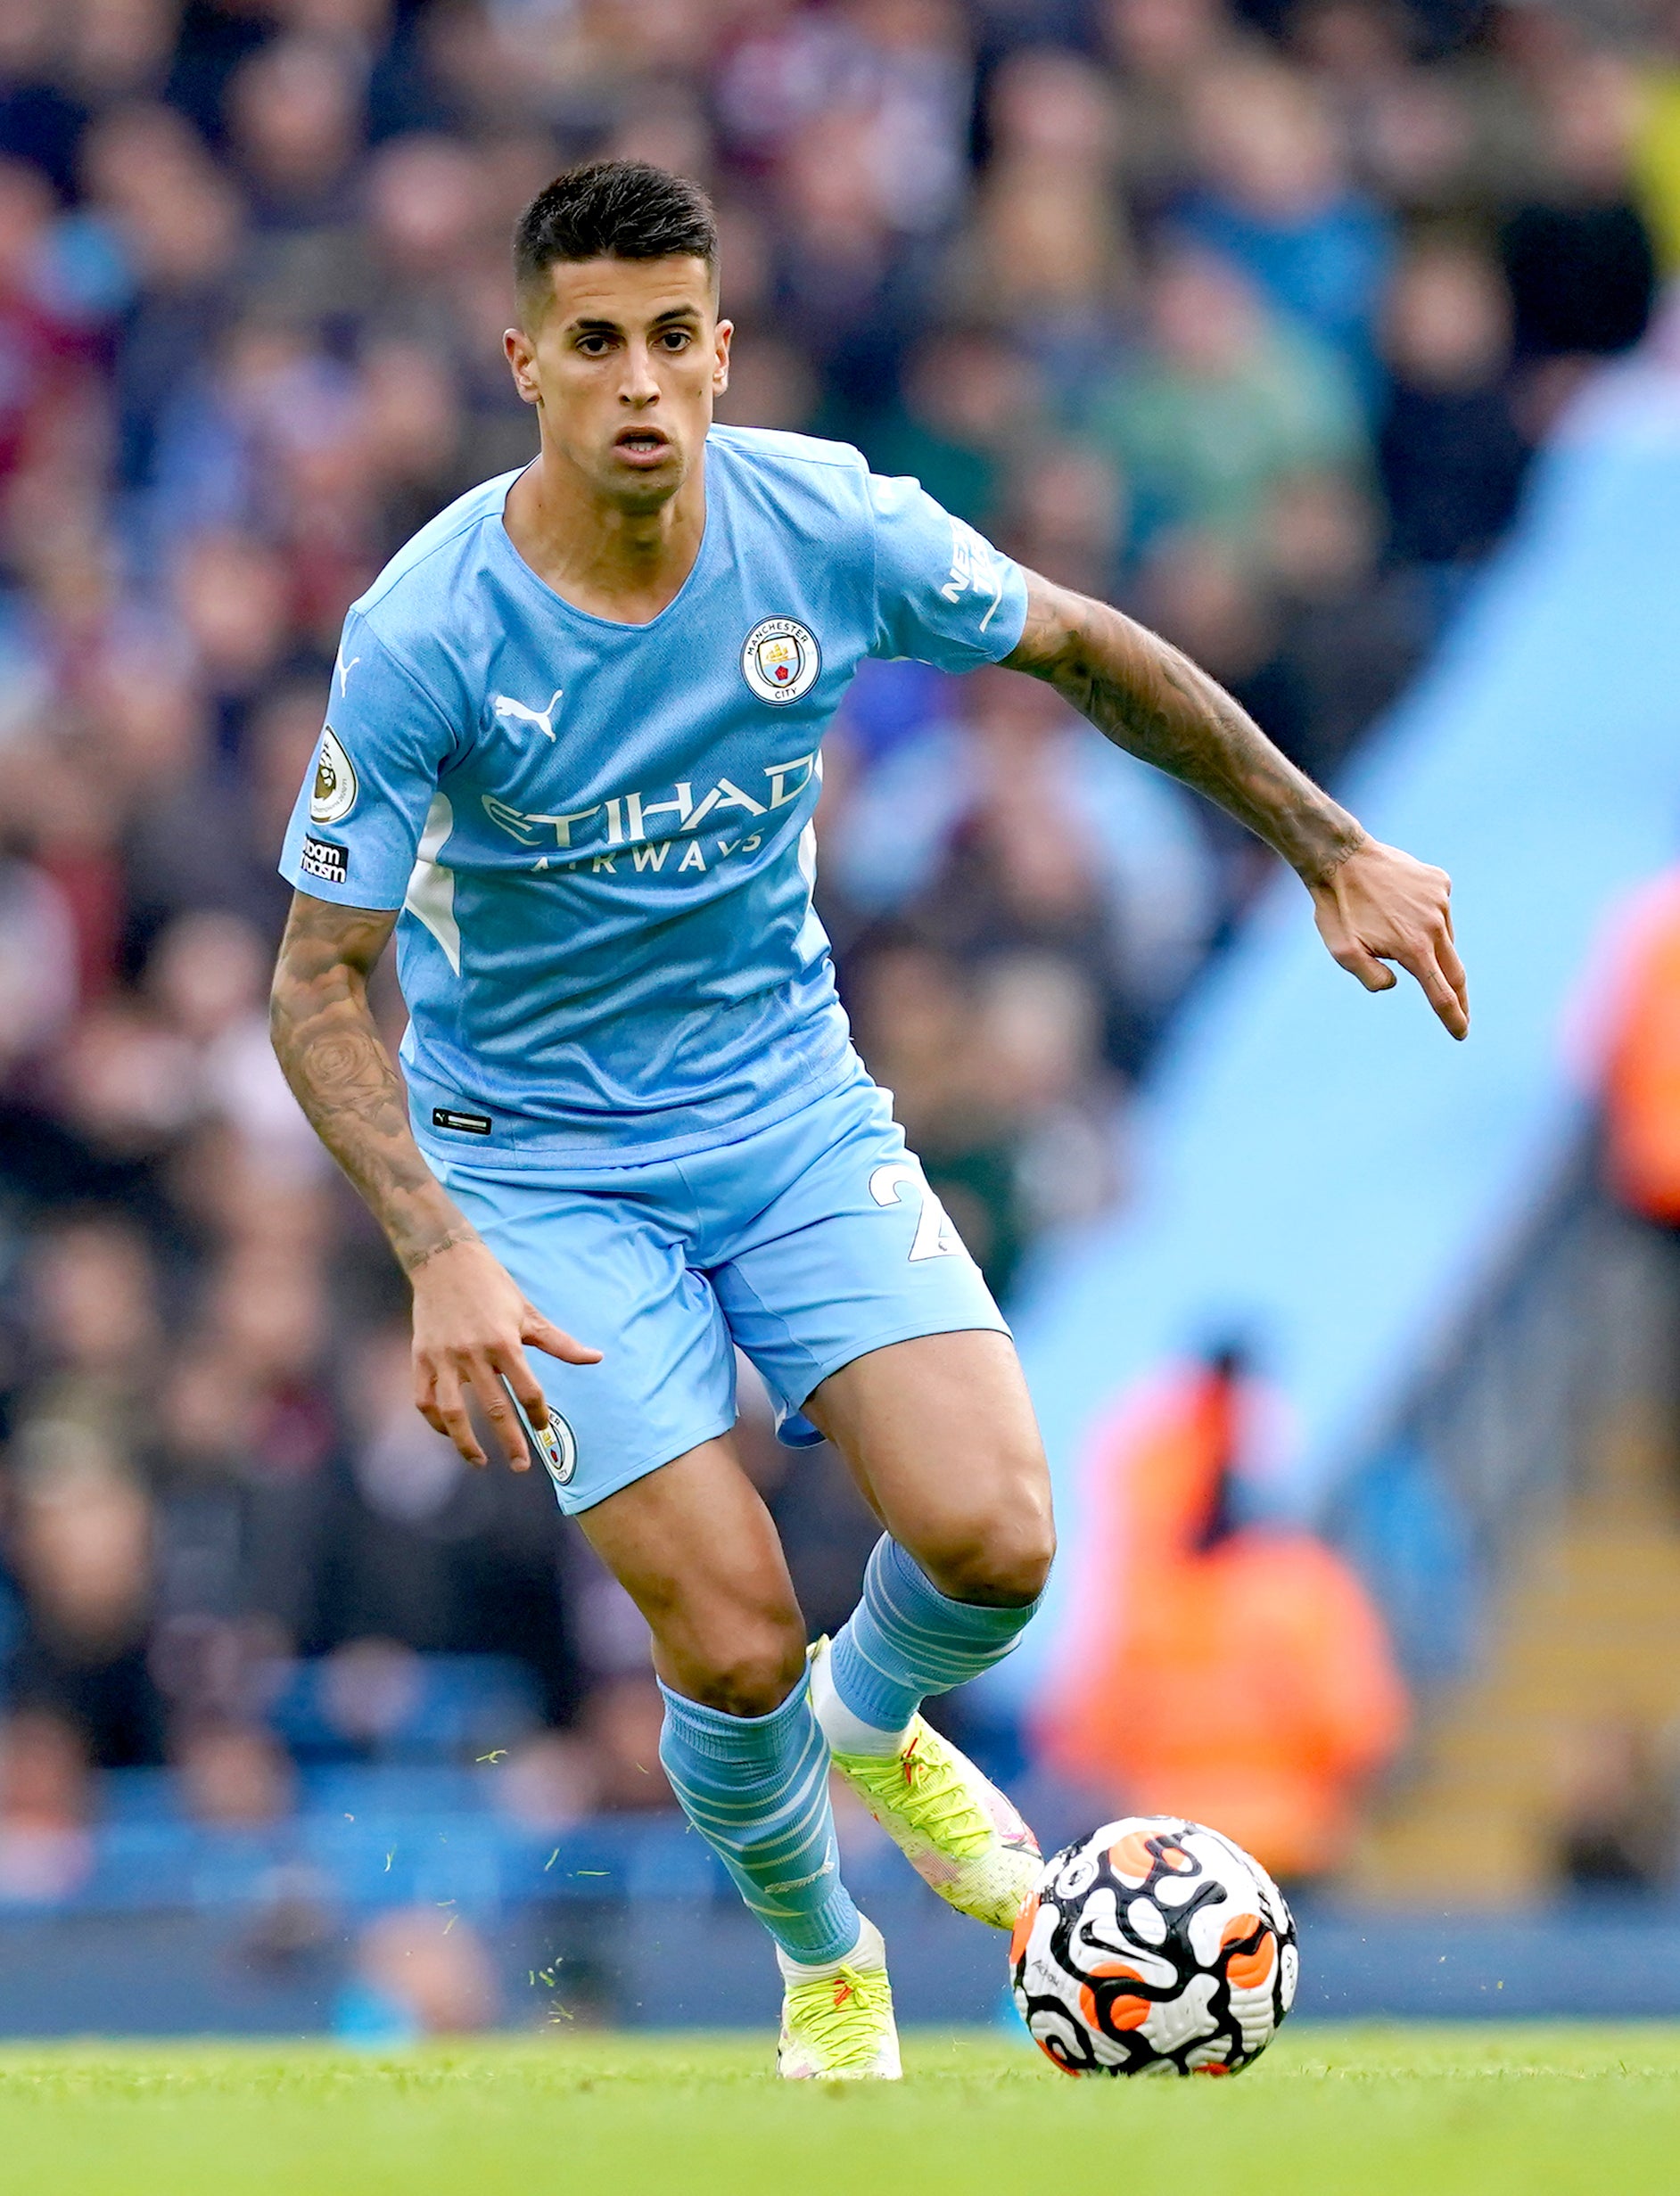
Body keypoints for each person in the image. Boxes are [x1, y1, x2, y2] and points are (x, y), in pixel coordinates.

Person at [268, 159, 1468, 2080]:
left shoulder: (824, 521)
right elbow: (313, 978)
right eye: (598, 344)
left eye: (676, 337)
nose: (644, 382)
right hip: (536, 1159)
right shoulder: (429, 630)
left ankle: (876, 1722)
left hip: (785, 1102)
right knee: (731, 1635)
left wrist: (1329, 846)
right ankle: (826, 1949)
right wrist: (438, 1251)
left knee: (997, 1534)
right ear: (525, 364)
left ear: (723, 350)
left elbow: (1081, 641)